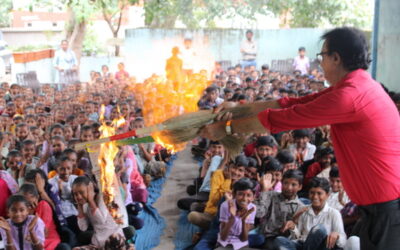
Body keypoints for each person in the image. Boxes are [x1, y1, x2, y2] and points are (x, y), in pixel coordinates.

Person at [200, 27, 400, 249]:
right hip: (376, 208)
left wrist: (226, 129)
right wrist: (238, 108)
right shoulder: (355, 86)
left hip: (386, 210)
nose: (320, 63)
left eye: (322, 56)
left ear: (336, 58)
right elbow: (292, 103)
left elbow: (283, 118)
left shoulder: (350, 95)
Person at [274, 177, 347, 250]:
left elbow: (343, 242)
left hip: (322, 248)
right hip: (303, 245)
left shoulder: (334, 213)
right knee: (279, 240)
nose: (315, 197)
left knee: (320, 229)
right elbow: (297, 237)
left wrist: (337, 235)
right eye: (312, 193)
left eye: (319, 193)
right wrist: (293, 228)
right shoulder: (302, 210)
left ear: (327, 195)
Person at [72, 176, 125, 249]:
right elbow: (83, 228)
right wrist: (79, 206)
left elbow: (101, 220)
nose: (79, 197)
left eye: (81, 192)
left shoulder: (102, 198)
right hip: (99, 244)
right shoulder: (85, 206)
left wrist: (91, 201)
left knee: (114, 239)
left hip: (114, 241)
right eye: (75, 194)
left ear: (90, 189)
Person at [215, 178, 256, 250]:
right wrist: (232, 218)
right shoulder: (225, 206)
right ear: (234, 194)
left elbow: (244, 239)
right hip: (225, 243)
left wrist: (243, 221)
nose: (244, 199)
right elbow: (223, 237)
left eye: (249, 195)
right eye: (240, 194)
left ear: (253, 197)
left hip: (241, 244)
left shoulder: (252, 208)